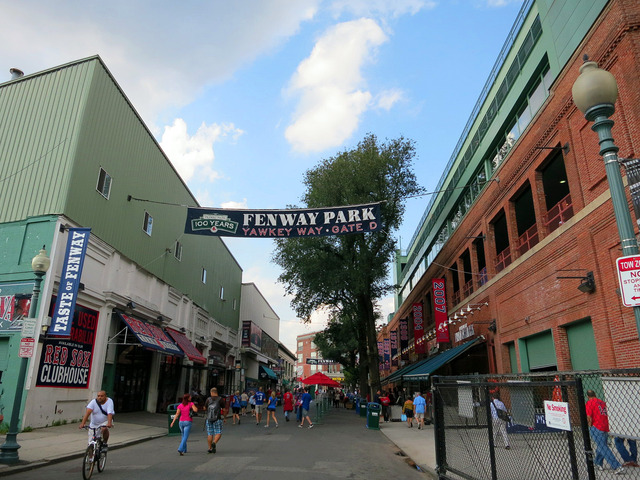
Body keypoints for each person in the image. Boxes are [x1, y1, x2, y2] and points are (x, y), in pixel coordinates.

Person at [586, 390, 625, 474]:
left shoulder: (590, 402)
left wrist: (589, 426)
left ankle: (616, 466)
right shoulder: (602, 402)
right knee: (601, 445)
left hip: (596, 426)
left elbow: (589, 417)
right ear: (595, 394)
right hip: (605, 426)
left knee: (603, 447)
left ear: (588, 397)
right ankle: (598, 463)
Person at [205, 387, 226, 454]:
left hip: (209, 418)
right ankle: (214, 442)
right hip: (217, 418)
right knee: (218, 432)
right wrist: (225, 417)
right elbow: (224, 409)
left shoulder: (208, 399)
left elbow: (205, 408)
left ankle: (209, 448)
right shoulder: (220, 399)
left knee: (210, 433)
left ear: (211, 392)